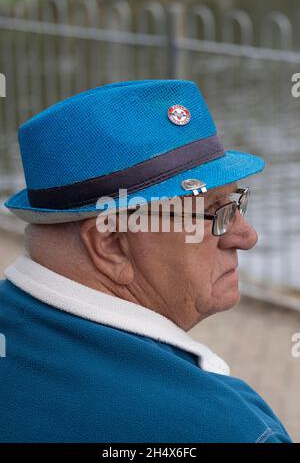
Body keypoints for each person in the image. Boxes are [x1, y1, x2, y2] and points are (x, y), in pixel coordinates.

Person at [0, 80, 292, 442]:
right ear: (111, 245)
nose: (246, 237)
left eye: (236, 203)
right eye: (214, 211)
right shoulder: (228, 429)